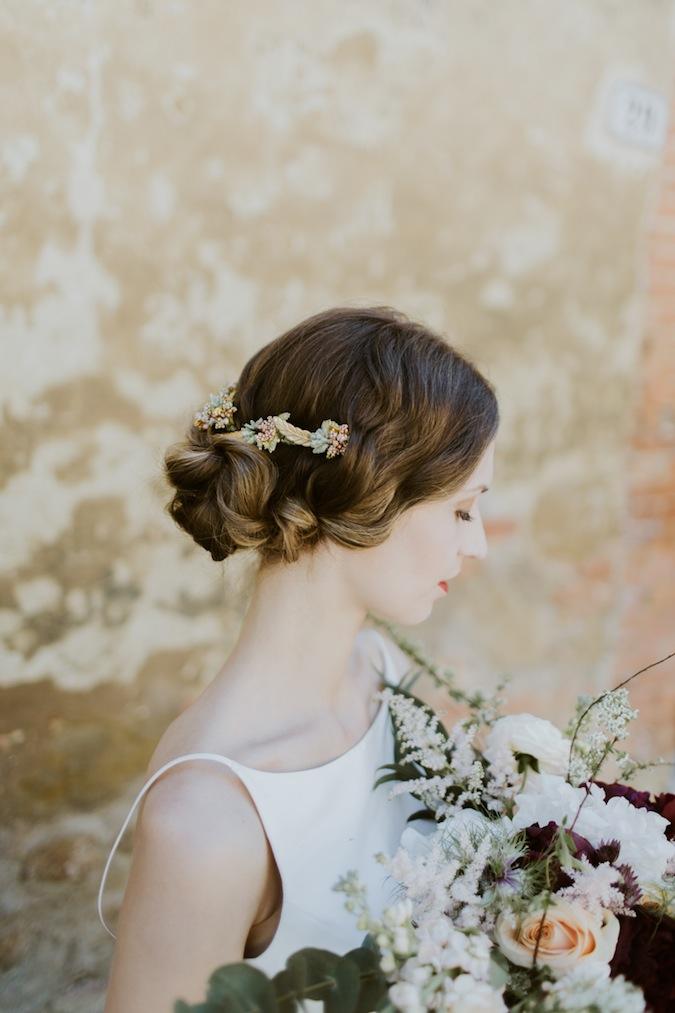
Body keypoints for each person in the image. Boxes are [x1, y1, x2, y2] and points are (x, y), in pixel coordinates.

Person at [96, 304, 498, 1011]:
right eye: (462, 509)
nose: (478, 545)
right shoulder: (205, 823)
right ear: (366, 492)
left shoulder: (383, 674)